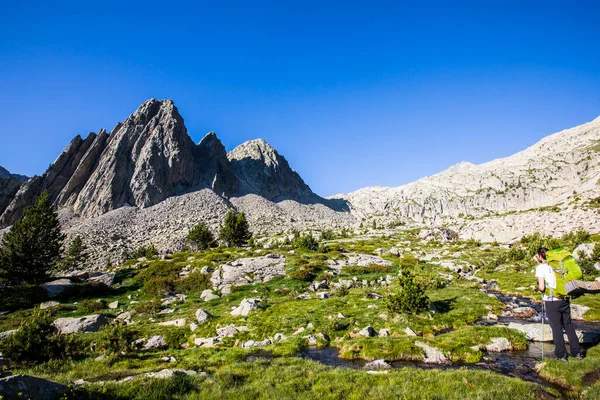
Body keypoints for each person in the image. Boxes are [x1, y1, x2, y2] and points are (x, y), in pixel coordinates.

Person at [535, 247, 584, 361]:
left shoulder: (541, 268)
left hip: (551, 301)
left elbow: (542, 287)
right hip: (564, 299)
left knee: (556, 328)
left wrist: (538, 288)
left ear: (540, 256)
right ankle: (577, 352)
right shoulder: (558, 266)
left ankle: (561, 354)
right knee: (568, 326)